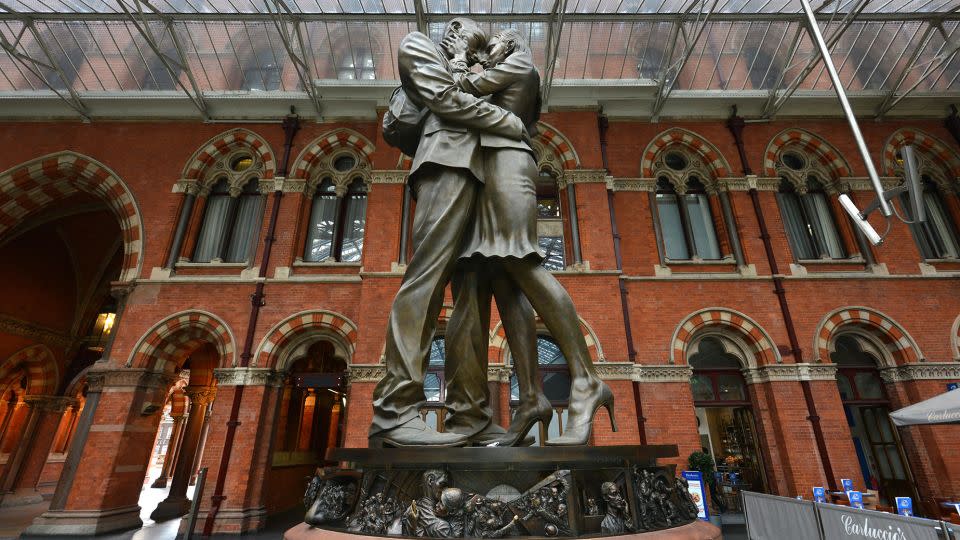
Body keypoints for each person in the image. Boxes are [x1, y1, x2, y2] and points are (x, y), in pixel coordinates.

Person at [443, 28, 615, 446]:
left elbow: (459, 90)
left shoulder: (520, 62)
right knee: (505, 280)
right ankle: (532, 399)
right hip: (491, 170)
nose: (491, 48)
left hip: (509, 167)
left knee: (522, 261)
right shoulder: (508, 70)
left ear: (514, 43)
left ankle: (587, 380)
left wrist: (463, 56)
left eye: (496, 42)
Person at [369, 18, 528, 448]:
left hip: (481, 175)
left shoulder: (473, 70)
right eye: (466, 39)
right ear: (452, 30)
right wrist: (506, 122)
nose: (470, 51)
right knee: (426, 279)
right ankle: (395, 410)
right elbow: (445, 100)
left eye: (476, 49)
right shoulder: (418, 45)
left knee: (473, 299)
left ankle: (469, 415)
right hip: (444, 166)